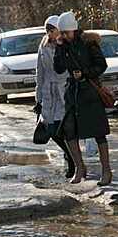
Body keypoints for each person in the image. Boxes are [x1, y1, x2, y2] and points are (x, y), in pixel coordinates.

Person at [54, 11, 112, 186]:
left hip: (90, 93)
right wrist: (59, 48)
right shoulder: (63, 46)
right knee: (68, 131)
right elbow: (58, 69)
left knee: (98, 133)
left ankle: (106, 171)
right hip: (74, 94)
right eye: (62, 33)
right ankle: (80, 168)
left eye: (66, 33)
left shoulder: (88, 43)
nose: (64, 36)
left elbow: (102, 65)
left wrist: (85, 73)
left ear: (74, 29)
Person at [34, 15, 75, 179]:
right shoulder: (43, 45)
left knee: (64, 128)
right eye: (48, 31)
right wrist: (38, 98)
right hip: (48, 93)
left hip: (64, 90)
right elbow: (40, 71)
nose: (49, 34)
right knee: (51, 130)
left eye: (52, 30)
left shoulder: (66, 44)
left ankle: (73, 160)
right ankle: (70, 154)